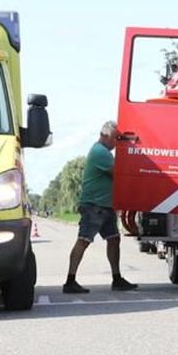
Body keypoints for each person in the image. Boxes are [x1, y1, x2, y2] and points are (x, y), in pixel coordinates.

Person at [63, 121, 137, 293]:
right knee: (84, 240)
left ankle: (117, 279)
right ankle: (70, 281)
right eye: (114, 138)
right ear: (104, 135)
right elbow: (118, 173)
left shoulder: (102, 151)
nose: (116, 142)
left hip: (104, 206)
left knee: (113, 239)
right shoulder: (100, 152)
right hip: (94, 206)